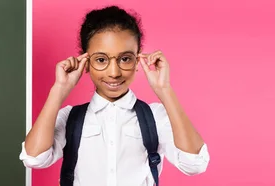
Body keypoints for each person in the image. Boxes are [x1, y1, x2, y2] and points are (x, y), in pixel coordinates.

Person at [20, 5, 210, 186]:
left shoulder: (155, 116)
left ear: (138, 60)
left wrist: (164, 89)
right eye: (101, 60)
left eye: (125, 59)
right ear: (85, 62)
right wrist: (59, 90)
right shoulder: (71, 117)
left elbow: (194, 163)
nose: (114, 72)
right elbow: (34, 158)